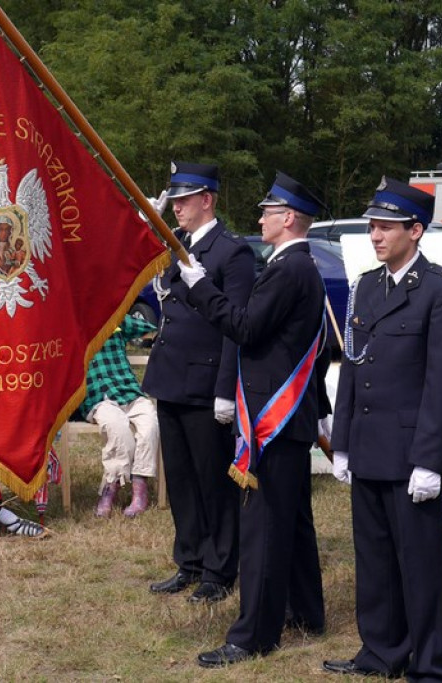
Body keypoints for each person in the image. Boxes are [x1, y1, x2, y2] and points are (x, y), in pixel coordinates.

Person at [324, 177, 442, 681]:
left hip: (413, 454)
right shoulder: (367, 285)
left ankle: (431, 666)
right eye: (372, 225)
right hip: (368, 448)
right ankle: (381, 652)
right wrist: (341, 442)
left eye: (386, 226)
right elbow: (353, 366)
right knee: (375, 561)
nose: (375, 235)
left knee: (422, 567)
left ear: (416, 230)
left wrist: (430, 460)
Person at [178, 171, 329, 667]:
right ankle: (305, 612)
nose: (259, 218)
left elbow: (245, 327)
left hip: (274, 417)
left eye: (267, 211)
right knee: (294, 520)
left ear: (288, 219)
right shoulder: (297, 266)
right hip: (287, 414)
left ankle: (252, 636)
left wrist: (201, 287)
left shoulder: (289, 269)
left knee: (263, 527)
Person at [143, 161, 255, 604]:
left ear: (206, 200)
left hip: (207, 383)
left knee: (213, 482)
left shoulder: (233, 253)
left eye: (184, 200)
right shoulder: (175, 245)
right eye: (173, 201)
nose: (176, 209)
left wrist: (225, 390)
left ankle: (219, 568)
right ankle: (189, 560)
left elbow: (236, 326)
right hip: (171, 377)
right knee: (183, 481)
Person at [82, 313, 159, 518]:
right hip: (100, 397)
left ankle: (139, 489)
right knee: (118, 429)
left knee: (150, 423)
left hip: (129, 392)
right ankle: (110, 488)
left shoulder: (114, 318)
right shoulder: (70, 326)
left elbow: (148, 326)